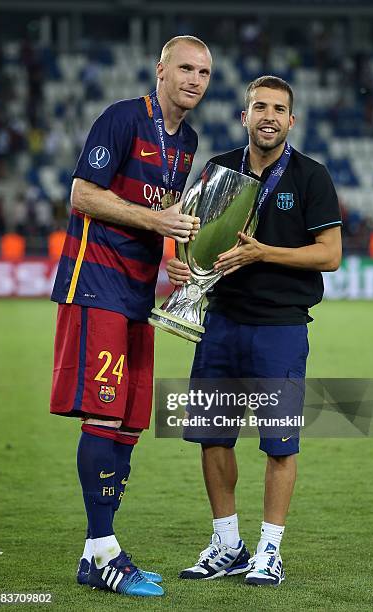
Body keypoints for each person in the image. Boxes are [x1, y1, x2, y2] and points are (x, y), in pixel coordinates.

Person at [49, 35, 211, 598]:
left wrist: (177, 263)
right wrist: (157, 222)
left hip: (140, 293)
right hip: (95, 282)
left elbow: (160, 218)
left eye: (204, 73)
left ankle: (103, 550)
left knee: (129, 419)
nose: (194, 79)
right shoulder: (120, 119)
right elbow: (83, 195)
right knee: (104, 410)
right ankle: (101, 550)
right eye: (185, 68)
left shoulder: (186, 142)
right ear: (160, 69)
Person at [166, 75, 342, 586]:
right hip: (219, 321)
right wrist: (179, 267)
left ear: (292, 120)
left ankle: (269, 550)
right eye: (259, 106)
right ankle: (226, 544)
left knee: (279, 444)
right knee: (212, 438)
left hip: (280, 327)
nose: (268, 116)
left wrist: (264, 252)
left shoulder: (311, 176)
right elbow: (190, 239)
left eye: (279, 109)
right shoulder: (219, 169)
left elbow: (329, 255)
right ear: (244, 116)